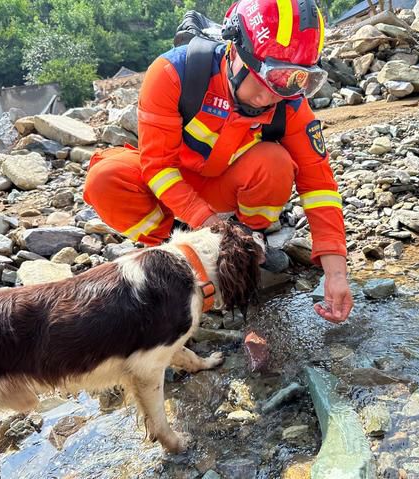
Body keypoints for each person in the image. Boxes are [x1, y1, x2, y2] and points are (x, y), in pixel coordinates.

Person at [84, 0, 353, 323]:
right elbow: (157, 167)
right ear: (235, 51)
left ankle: (248, 248)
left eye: (293, 81)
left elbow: (319, 183)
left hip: (222, 189)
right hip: (170, 192)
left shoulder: (289, 101)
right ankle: (173, 252)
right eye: (266, 78)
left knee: (275, 163)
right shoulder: (173, 74)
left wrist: (336, 273)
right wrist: (208, 225)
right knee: (105, 178)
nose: (271, 96)